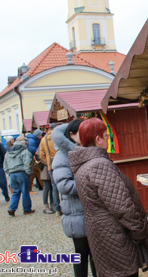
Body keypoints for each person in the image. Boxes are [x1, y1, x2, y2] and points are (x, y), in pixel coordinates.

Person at [69, 118, 148, 277]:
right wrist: (139, 231)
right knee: (126, 273)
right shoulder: (99, 165)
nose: (108, 138)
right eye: (106, 136)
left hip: (101, 235)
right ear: (97, 139)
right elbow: (122, 206)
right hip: (116, 236)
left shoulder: (84, 164)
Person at [53, 119, 97, 277]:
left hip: (92, 212)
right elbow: (63, 186)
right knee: (81, 254)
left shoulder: (87, 150)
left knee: (97, 254)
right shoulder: (62, 157)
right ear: (71, 135)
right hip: (77, 214)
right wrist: (91, 184)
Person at [4, 136, 35, 216]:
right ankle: (27, 209)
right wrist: (29, 173)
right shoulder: (24, 151)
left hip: (12, 174)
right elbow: (27, 163)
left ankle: (12, 208)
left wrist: (9, 173)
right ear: (24, 143)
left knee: (15, 192)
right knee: (25, 192)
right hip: (22, 173)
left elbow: (5, 165)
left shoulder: (8, 152)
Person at [39, 123, 61, 215]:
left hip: (50, 166)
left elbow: (41, 155)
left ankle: (57, 208)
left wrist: (48, 162)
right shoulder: (58, 136)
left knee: (54, 187)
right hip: (60, 163)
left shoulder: (43, 140)